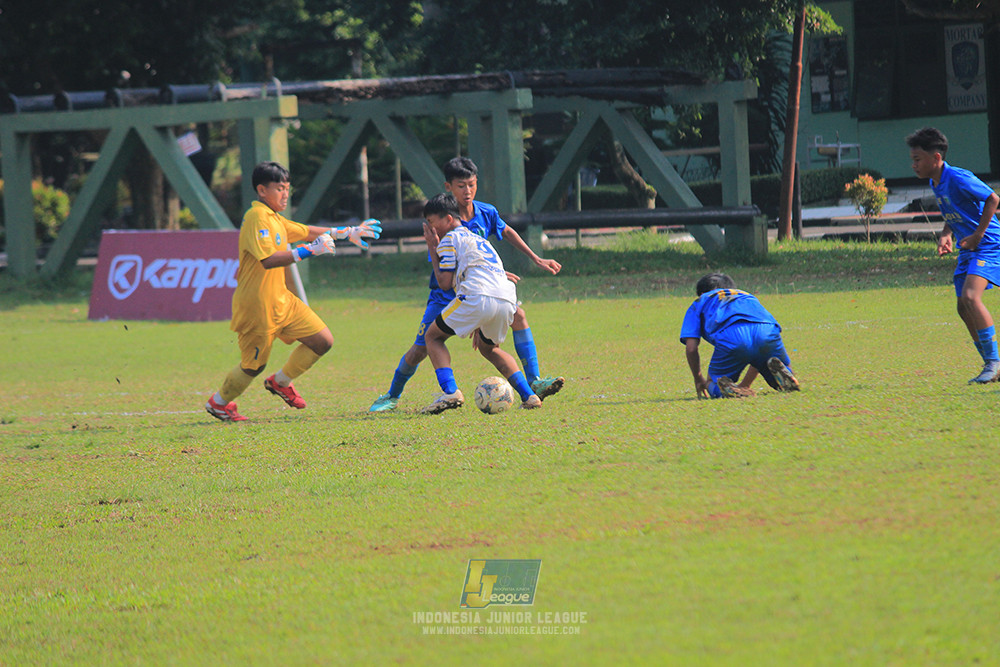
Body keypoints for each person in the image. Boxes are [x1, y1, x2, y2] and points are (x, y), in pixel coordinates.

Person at [368, 156, 563, 412]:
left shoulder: (474, 217)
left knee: (509, 321)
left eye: (471, 184)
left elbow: (500, 237)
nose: (467, 191)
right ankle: (392, 395)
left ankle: (530, 383)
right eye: (461, 186)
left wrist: (533, 258)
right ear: (449, 187)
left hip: (472, 292)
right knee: (419, 349)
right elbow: (451, 276)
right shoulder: (443, 218)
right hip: (452, 295)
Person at [205, 161, 381, 421]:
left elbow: (307, 231)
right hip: (258, 307)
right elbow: (268, 260)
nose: (285, 194)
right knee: (253, 366)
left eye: (287, 188)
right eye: (279, 188)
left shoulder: (276, 219)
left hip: (282, 301)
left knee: (322, 341)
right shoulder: (257, 218)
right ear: (262, 190)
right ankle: (219, 403)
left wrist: (348, 232)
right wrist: (309, 251)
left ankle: (280, 382)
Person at [418, 193, 541, 413]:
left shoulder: (448, 240)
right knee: (489, 348)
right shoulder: (479, 239)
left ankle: (450, 392)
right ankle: (529, 395)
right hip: (506, 298)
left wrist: (432, 247)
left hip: (477, 296)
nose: (430, 228)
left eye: (431, 222)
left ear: (447, 219)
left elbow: (445, 283)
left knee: (433, 336)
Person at [907, 126, 1000, 383]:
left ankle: (994, 363)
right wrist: (946, 233)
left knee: (971, 297)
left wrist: (979, 235)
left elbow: (993, 198)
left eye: (917, 159)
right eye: (912, 159)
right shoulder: (935, 181)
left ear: (935, 158)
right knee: (962, 307)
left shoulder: (958, 177)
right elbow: (954, 210)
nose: (913, 165)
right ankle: (989, 364)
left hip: (990, 244)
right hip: (969, 247)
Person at [680, 273, 799, 399]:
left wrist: (699, 380)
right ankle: (788, 375)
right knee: (764, 357)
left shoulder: (701, 301)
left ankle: (722, 390)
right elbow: (756, 350)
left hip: (731, 336)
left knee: (713, 382)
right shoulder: (747, 296)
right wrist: (745, 385)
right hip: (767, 330)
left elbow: (691, 348)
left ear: (702, 292)